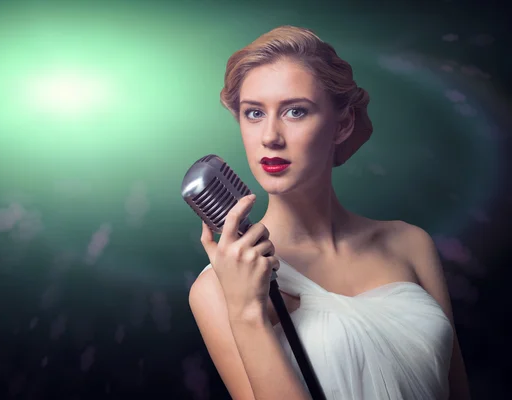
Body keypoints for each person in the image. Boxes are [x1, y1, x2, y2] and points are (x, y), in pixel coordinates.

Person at [188, 26, 471, 400]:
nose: (270, 136)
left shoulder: (409, 243)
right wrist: (246, 312)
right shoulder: (218, 287)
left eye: (295, 111)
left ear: (342, 124)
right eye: (254, 113)